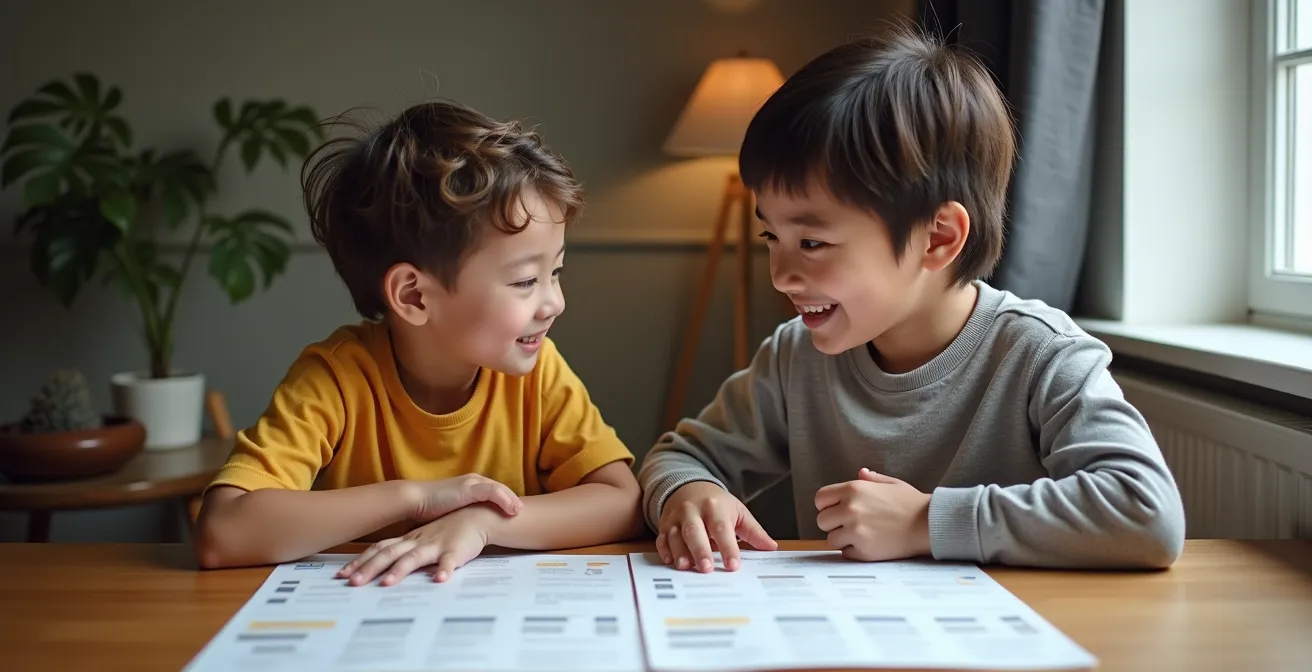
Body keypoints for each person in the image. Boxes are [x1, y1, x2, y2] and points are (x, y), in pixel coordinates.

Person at [637, 27, 1186, 572]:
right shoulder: (793, 358)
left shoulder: (1041, 355)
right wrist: (687, 493)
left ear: (938, 238)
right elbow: (680, 457)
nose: (780, 276)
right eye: (771, 238)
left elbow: (1146, 514)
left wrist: (926, 521)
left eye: (812, 242)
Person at [195, 100, 643, 584]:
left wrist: (482, 522)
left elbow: (623, 501)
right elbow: (223, 532)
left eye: (553, 272)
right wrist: (419, 497)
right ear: (413, 295)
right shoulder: (337, 378)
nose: (554, 302)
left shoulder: (540, 372)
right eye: (523, 282)